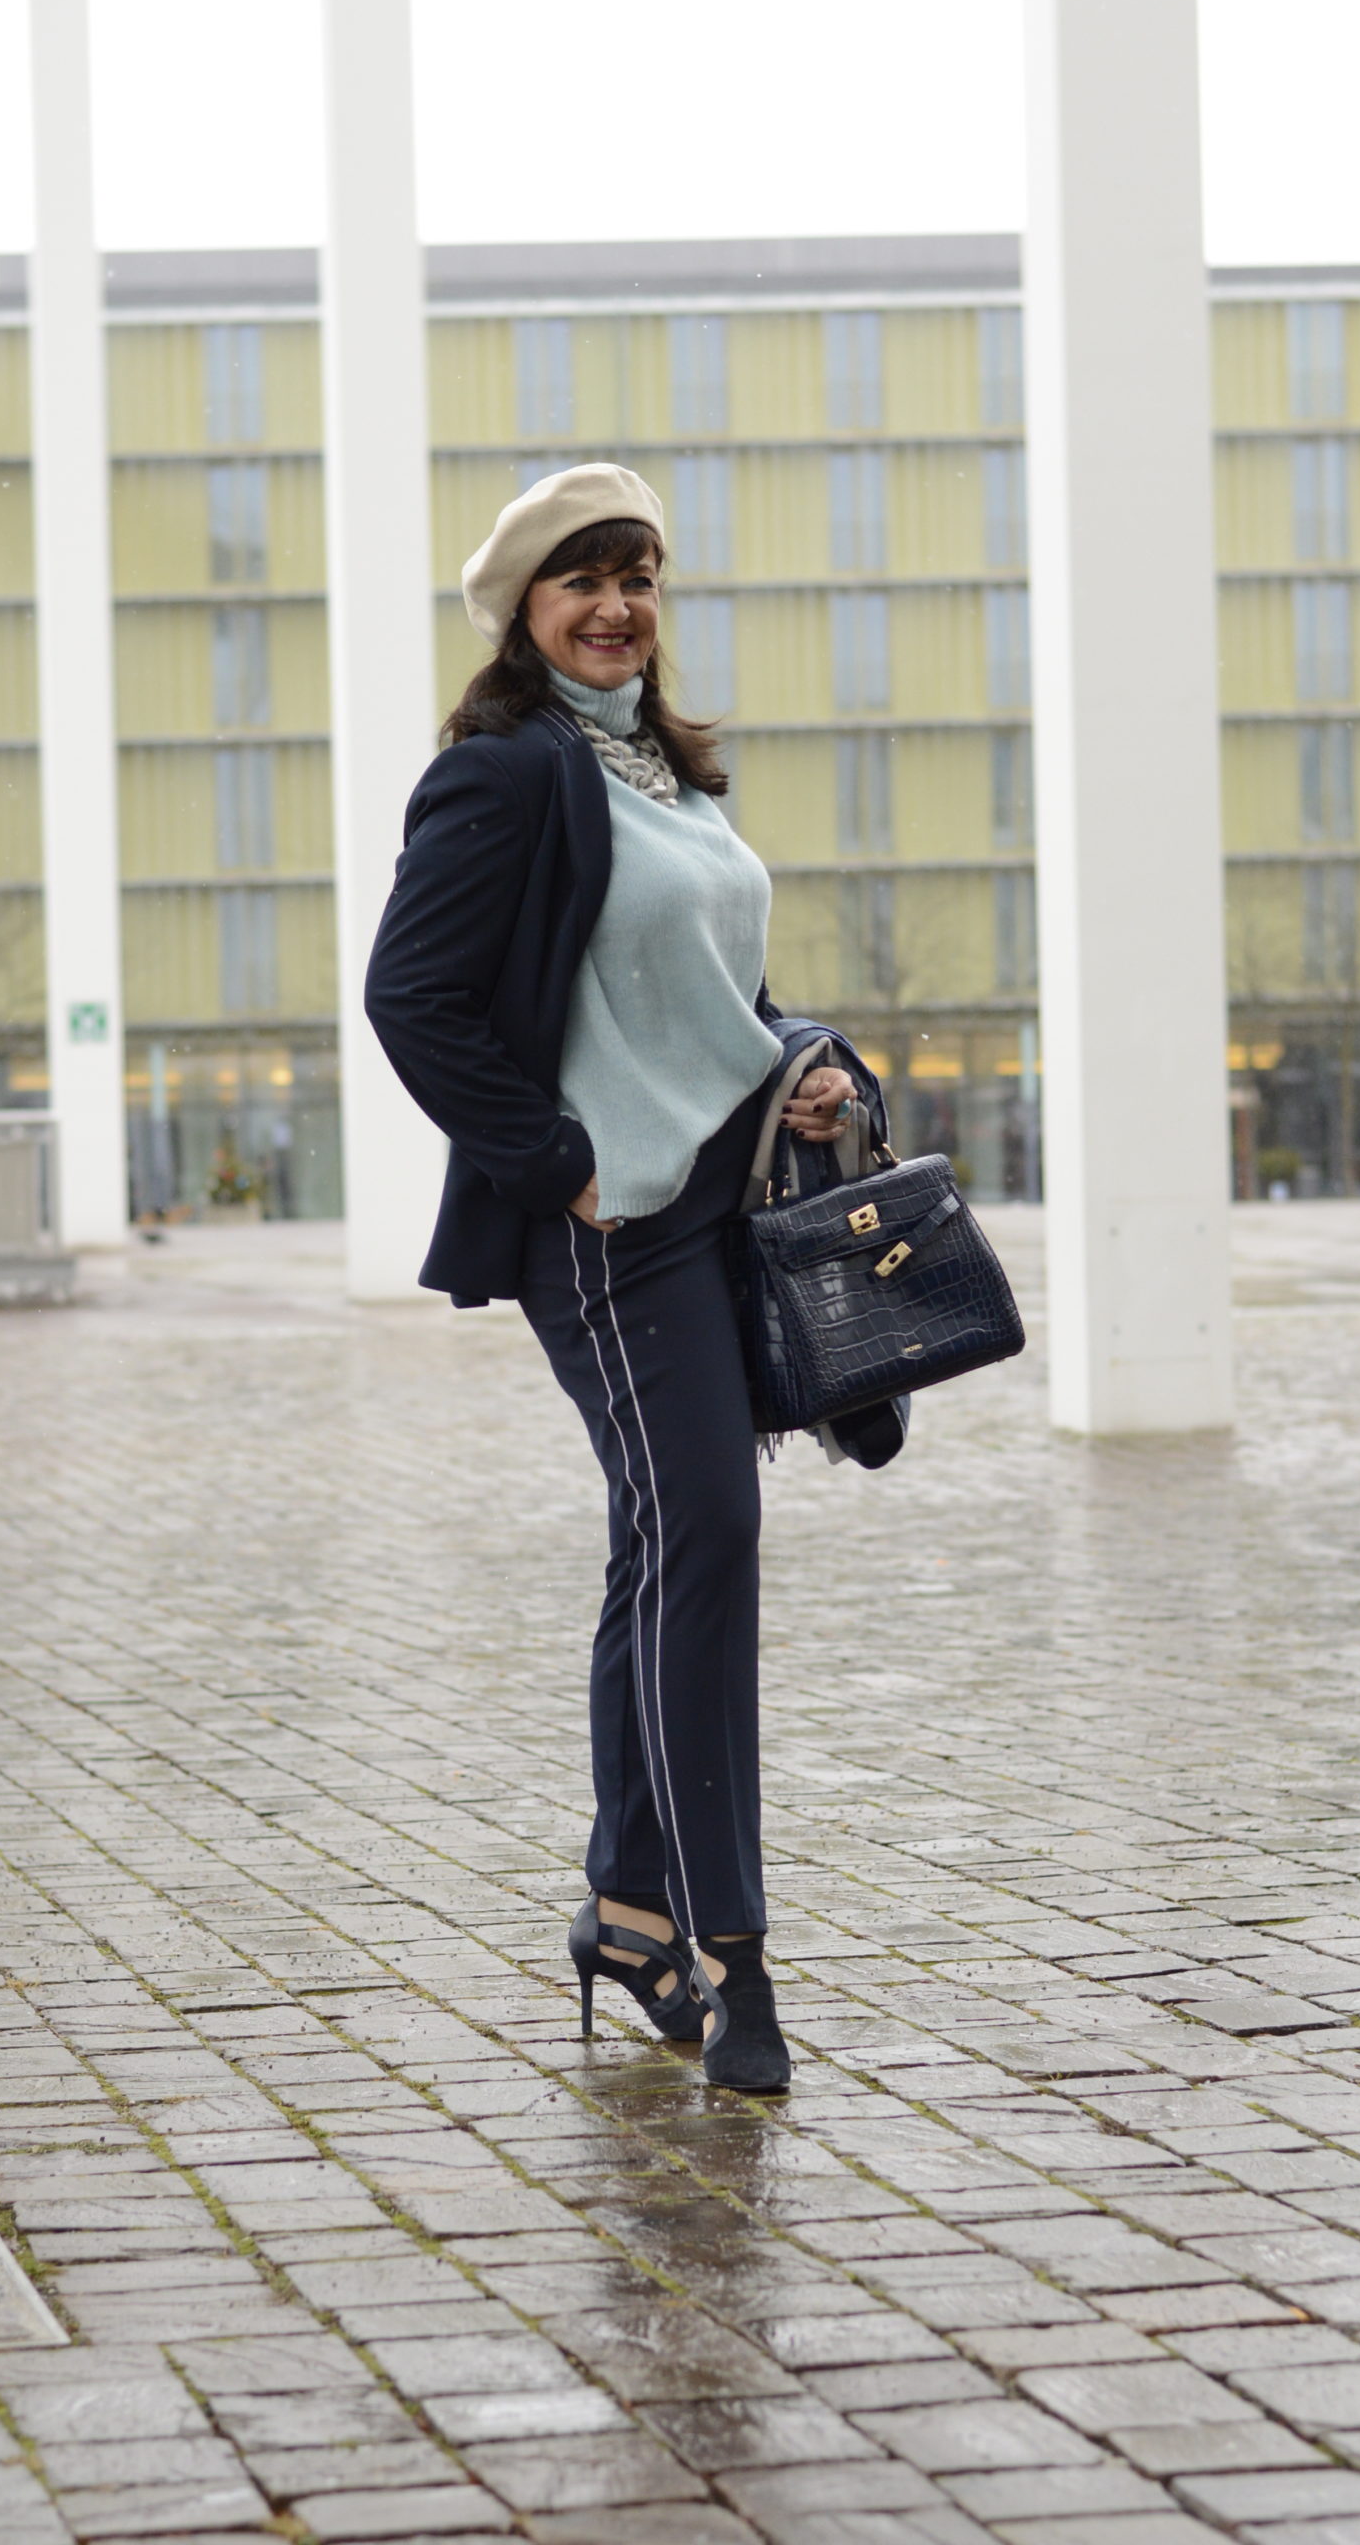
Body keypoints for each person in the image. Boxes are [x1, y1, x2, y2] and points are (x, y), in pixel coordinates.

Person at [365, 465, 854, 2092]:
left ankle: (632, 1912)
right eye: (580, 580)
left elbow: (709, 991)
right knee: (705, 1532)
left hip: (721, 1206)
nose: (614, 606)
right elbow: (410, 997)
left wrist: (793, 1059)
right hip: (613, 1230)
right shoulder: (506, 773)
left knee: (665, 1548)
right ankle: (729, 1945)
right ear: (524, 610)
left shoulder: (671, 771)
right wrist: (555, 1162)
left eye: (636, 576)